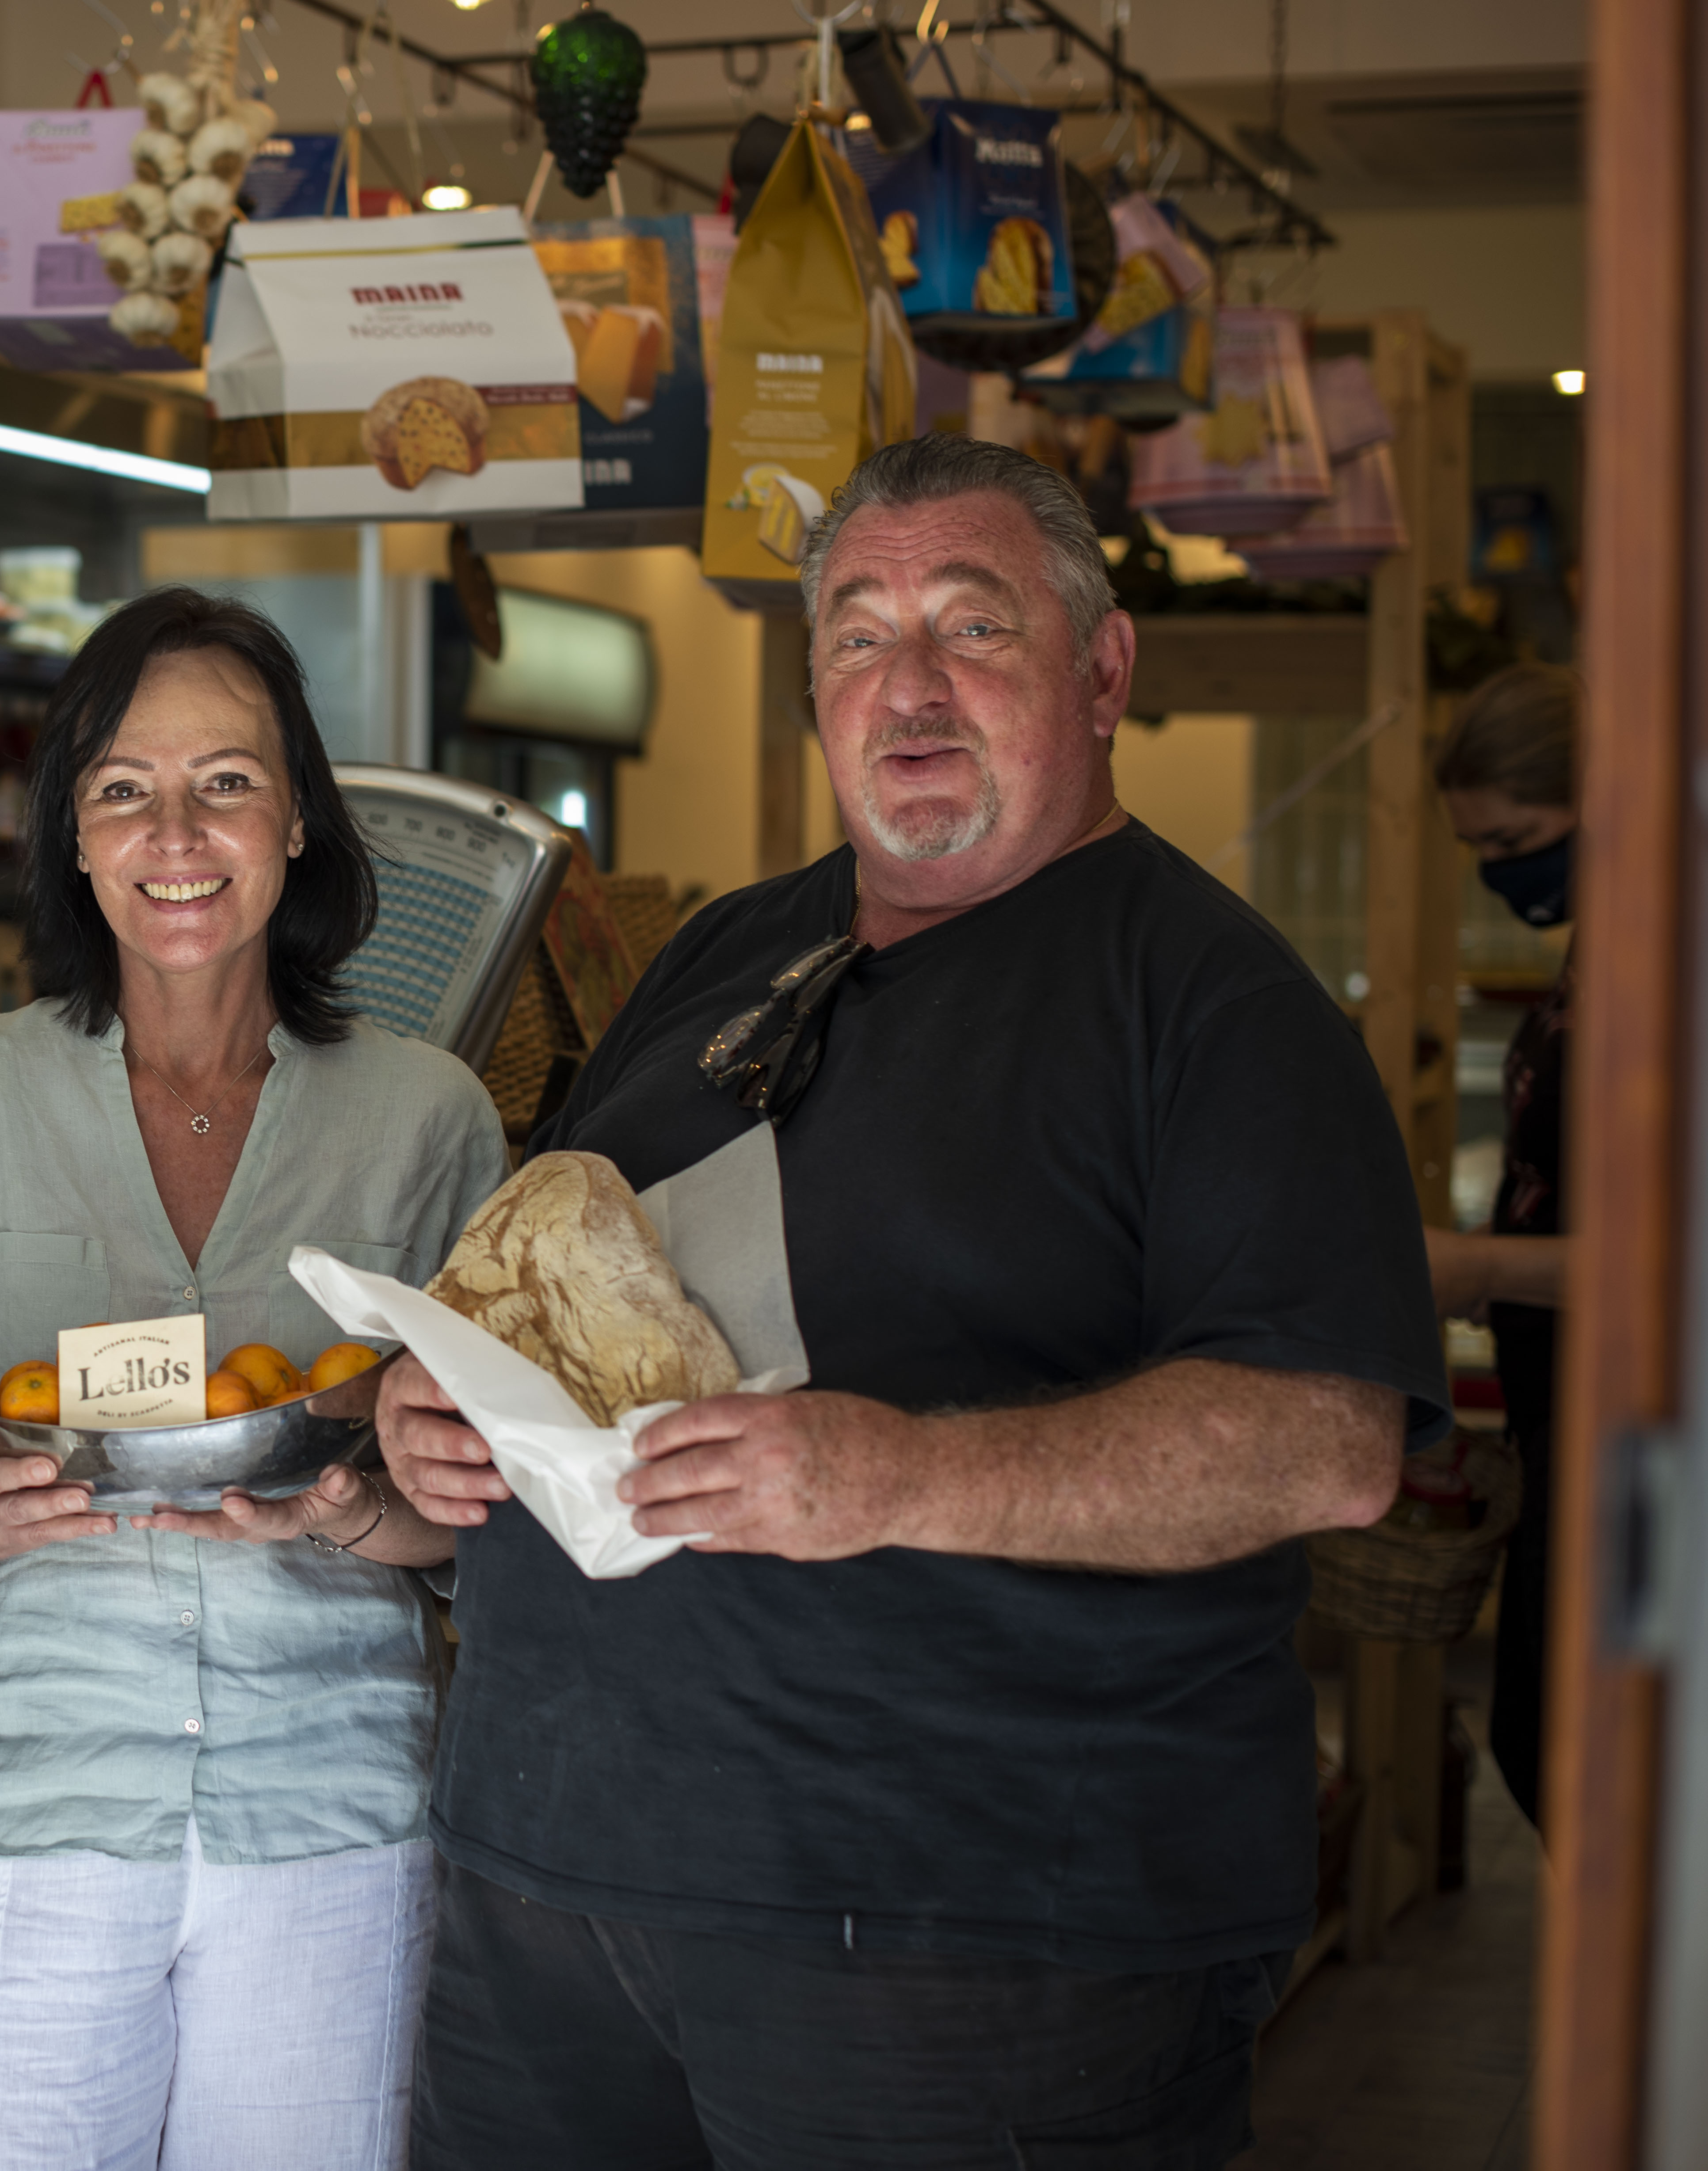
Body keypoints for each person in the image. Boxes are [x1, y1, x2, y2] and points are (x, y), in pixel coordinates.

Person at [382, 434, 1449, 2169]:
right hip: (551, 1887)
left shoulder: (1211, 1004)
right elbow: (557, 1277)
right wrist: (446, 1407)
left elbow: (1324, 1444)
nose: (912, 686)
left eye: (973, 625)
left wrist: (903, 1481)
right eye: (861, 637)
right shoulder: (723, 947)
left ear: (1101, 669)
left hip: (973, 1939)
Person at [0, 587, 508, 2171]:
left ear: (296, 821)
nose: (178, 830)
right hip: (21, 1794)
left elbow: (501, 1506)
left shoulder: (426, 1119)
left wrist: (342, 1514)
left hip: (334, 1814)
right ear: (73, 835)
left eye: (227, 781)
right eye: (125, 789)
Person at [1424, 661, 1579, 1831]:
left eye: (1519, 836)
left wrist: (1471, 1270)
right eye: (1479, 846)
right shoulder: (1602, 949)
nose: (1502, 872)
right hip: (1555, 1419)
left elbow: (1668, 1266)